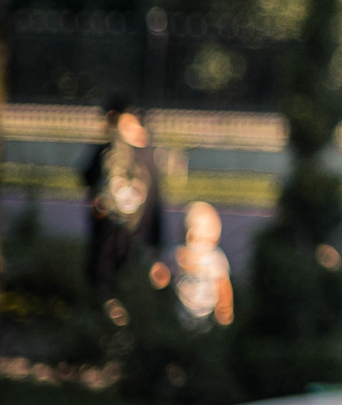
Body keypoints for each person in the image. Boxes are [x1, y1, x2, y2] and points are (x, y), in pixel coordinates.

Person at [81, 98, 160, 298]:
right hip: (108, 228)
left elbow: (156, 200)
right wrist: (97, 200)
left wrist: (156, 241)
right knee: (104, 270)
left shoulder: (146, 154)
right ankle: (103, 303)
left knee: (131, 273)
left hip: (136, 229)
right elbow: (87, 176)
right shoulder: (107, 149)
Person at [169, 200, 234, 330]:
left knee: (203, 336)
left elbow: (222, 282)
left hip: (206, 312)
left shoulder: (215, 259)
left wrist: (225, 305)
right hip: (181, 310)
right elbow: (167, 269)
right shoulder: (179, 254)